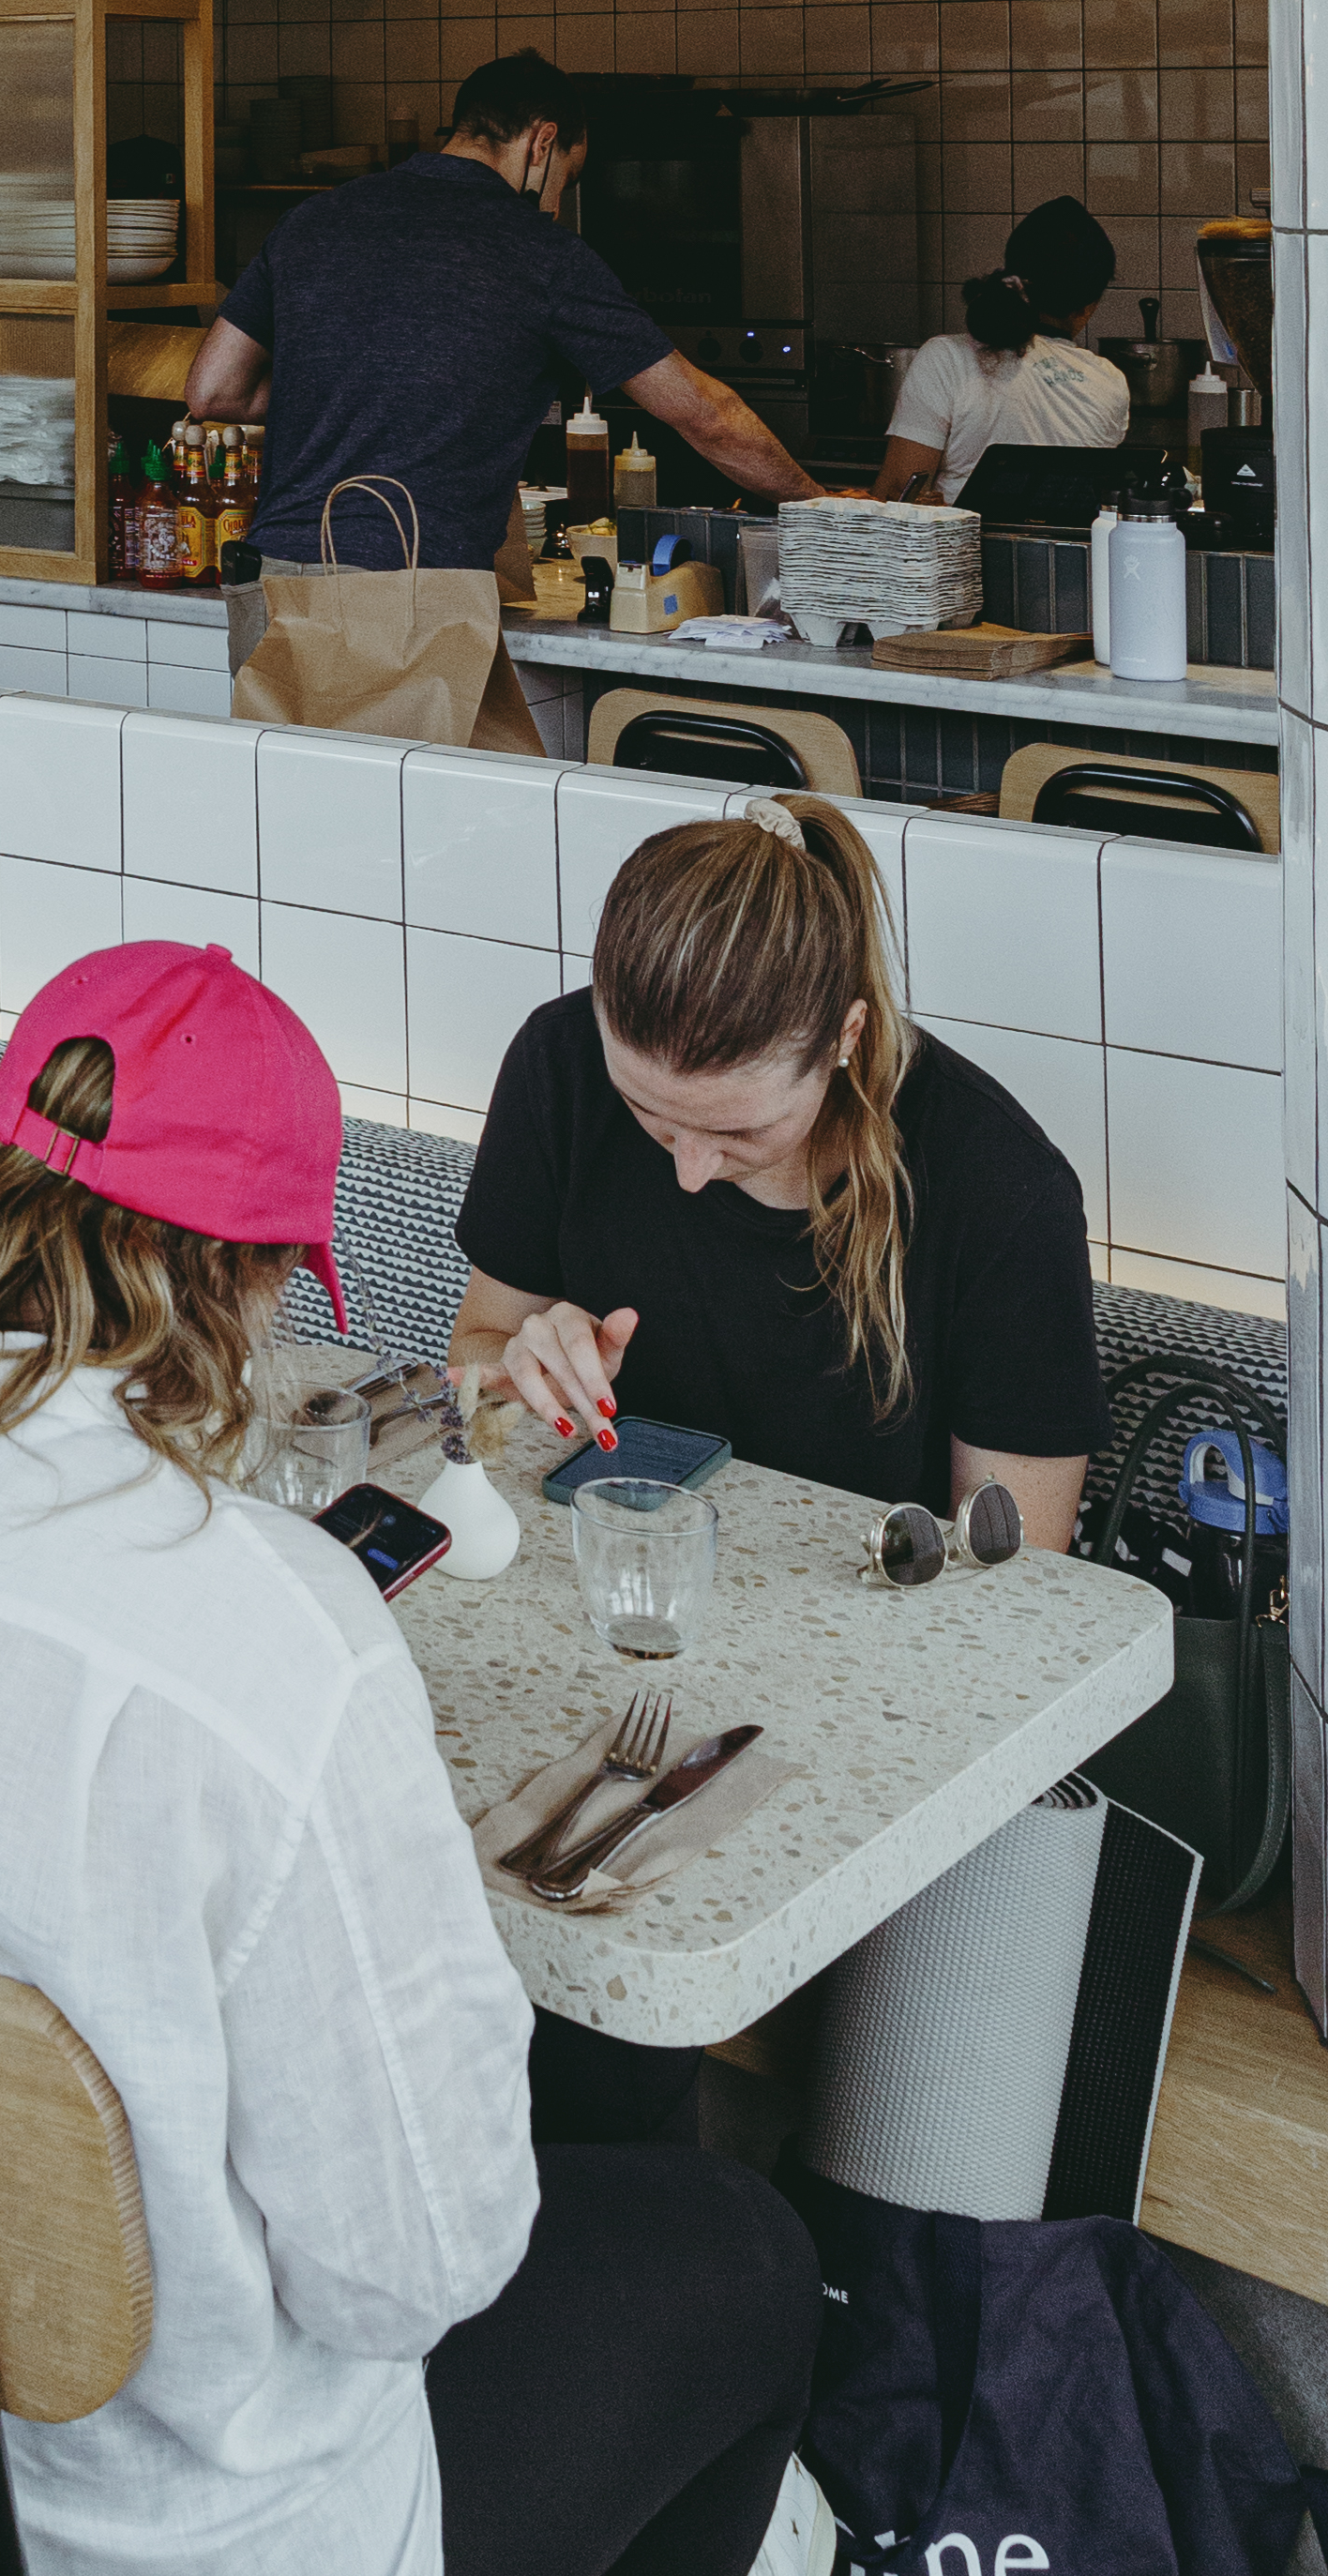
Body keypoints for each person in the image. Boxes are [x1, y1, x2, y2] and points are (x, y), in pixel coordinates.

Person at [0, 933, 822, 2576]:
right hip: (161, 2531)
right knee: (738, 2255)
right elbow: (417, 2268)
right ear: (241, 1280)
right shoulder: (275, 1639)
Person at [449, 795, 1105, 2144]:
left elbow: (1013, 1588)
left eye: (732, 1133)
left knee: (593, 2024)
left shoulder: (993, 1188)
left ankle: (617, 2273)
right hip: (597, 1672)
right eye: (651, 1117)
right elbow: (468, 1358)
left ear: (845, 1041)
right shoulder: (560, 1064)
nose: (684, 1171)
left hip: (850, 1722)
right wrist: (522, 1361)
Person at [180, 52, 832, 750]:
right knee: (408, 835)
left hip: (272, 584)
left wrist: (349, 383)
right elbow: (704, 415)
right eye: (565, 181)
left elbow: (215, 390)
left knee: (288, 824)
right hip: (405, 596)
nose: (554, 202)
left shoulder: (312, 220)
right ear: (541, 142)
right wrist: (818, 505)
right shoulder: (539, 253)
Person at [876, 194, 1129, 502]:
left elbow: (898, 494)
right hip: (1061, 550)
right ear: (1088, 306)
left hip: (959, 550)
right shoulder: (1110, 381)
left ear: (1013, 279)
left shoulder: (946, 358)